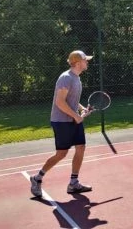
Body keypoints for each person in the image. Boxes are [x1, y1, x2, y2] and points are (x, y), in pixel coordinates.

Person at [30, 50, 94, 197]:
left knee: (81, 147)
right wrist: (76, 117)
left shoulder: (76, 78)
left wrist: (81, 109)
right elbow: (59, 102)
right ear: (78, 63)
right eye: (85, 60)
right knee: (61, 154)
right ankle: (37, 178)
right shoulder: (66, 78)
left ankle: (73, 183)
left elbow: (71, 99)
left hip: (72, 120)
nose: (87, 62)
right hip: (61, 121)